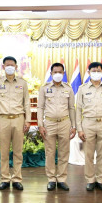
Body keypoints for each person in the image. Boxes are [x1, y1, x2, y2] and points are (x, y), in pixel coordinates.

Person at [0, 56, 31, 191]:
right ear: (3, 67)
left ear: (16, 67)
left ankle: (17, 178)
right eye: (7, 65)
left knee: (18, 151)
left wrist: (27, 120)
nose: (9, 67)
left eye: (12, 65)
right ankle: (5, 178)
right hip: (3, 120)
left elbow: (27, 103)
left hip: (19, 119)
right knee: (4, 151)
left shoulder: (22, 83)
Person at [76, 62, 102, 192]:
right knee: (88, 154)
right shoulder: (82, 88)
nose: (96, 73)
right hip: (88, 123)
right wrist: (79, 129)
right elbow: (78, 110)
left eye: (99, 71)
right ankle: (90, 180)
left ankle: (100, 180)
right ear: (88, 72)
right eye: (93, 71)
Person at [37, 63, 76, 191]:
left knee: (64, 152)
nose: (58, 74)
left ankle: (62, 179)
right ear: (51, 74)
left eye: (60, 72)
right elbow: (40, 107)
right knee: (50, 152)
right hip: (49, 124)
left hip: (65, 123)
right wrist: (40, 125)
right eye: (55, 72)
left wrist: (74, 125)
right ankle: (51, 179)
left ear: (63, 73)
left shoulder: (68, 88)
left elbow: (71, 108)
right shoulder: (44, 88)